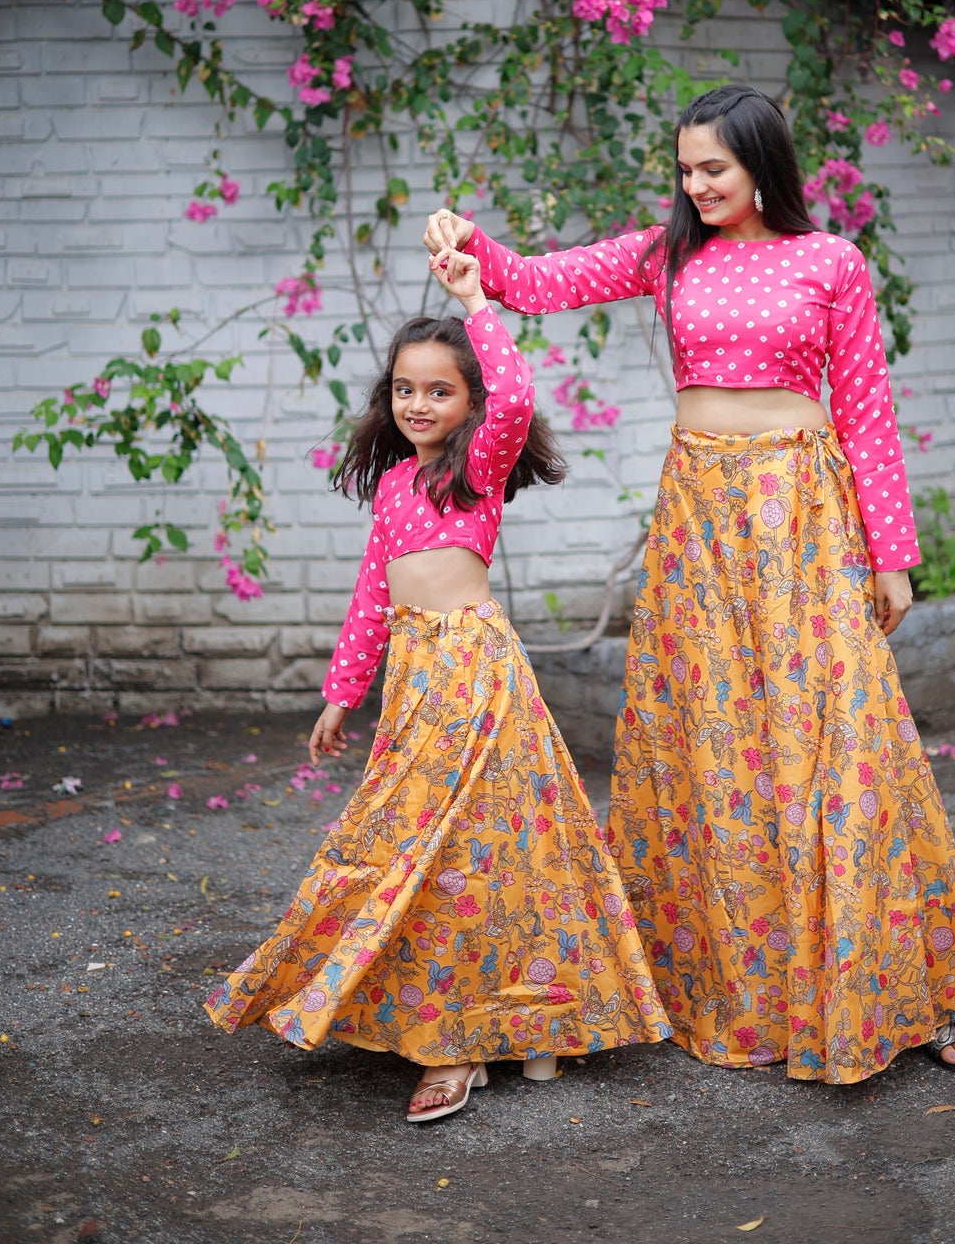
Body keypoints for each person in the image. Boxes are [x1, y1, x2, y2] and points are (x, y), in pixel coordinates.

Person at [423, 84, 955, 1085]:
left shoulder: (831, 263)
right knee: (713, 746)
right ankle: (731, 992)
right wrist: (469, 247)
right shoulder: (671, 253)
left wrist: (894, 554)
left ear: (762, 166)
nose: (693, 187)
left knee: (841, 737)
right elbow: (536, 280)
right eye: (684, 169)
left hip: (802, 517)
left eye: (713, 170)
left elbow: (865, 410)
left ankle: (911, 993)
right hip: (700, 518)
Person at [205, 245, 671, 1120]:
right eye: (404, 390)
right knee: (425, 853)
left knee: (492, 849)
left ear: (470, 405)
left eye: (439, 391)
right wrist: (342, 693)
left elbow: (520, 397)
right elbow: (372, 598)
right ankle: (450, 1025)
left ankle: (484, 1040)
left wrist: (476, 301)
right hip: (416, 679)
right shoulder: (391, 486)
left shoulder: (477, 468)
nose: (418, 405)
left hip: (477, 672)